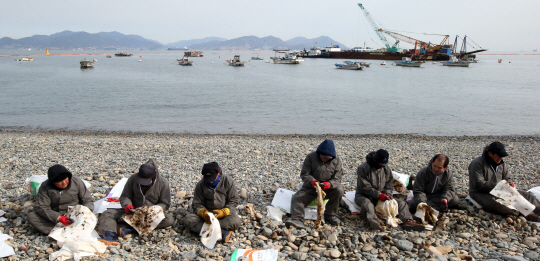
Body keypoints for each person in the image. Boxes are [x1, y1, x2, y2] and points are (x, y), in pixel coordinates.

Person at [98, 159, 174, 245]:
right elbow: (125, 196)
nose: (143, 185)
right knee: (107, 213)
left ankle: (130, 230)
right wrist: (127, 205)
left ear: (154, 177)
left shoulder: (163, 183)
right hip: (133, 212)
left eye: (146, 182)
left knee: (169, 220)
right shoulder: (133, 179)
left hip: (150, 216)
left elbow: (165, 203)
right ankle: (110, 236)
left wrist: (154, 209)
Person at [355, 149, 424, 231]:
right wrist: (379, 195)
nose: (381, 166)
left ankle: (407, 221)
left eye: (383, 164)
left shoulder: (386, 169)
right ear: (374, 160)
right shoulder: (363, 168)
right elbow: (364, 187)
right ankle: (373, 221)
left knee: (401, 203)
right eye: (379, 164)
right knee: (367, 205)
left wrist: (388, 194)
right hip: (364, 195)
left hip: (382, 196)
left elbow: (389, 184)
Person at [469, 141, 540, 220]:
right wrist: (498, 186)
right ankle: (521, 215)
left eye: (502, 156)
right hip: (480, 192)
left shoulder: (502, 164)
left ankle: (538, 210)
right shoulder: (477, 164)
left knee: (527, 196)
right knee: (496, 205)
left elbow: (507, 177)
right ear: (490, 154)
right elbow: (478, 184)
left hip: (500, 190)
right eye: (499, 156)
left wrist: (509, 183)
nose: (501, 158)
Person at [285, 139, 344, 229]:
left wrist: (329, 184)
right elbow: (305, 174)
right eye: (323, 156)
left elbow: (337, 178)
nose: (325, 159)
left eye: (328, 157)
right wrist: (313, 182)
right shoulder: (311, 157)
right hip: (311, 187)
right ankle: (298, 219)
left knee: (339, 190)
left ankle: (330, 214)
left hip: (327, 188)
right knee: (297, 198)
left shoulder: (337, 161)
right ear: (319, 153)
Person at [27, 164, 94, 234]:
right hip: (56, 216)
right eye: (60, 181)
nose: (64, 183)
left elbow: (88, 199)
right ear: (53, 182)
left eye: (65, 179)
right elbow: (41, 206)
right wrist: (58, 217)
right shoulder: (45, 187)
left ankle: (70, 230)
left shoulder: (76, 182)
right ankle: (60, 233)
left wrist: (83, 213)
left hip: (75, 214)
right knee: (32, 217)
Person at [183, 162, 241, 243]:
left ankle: (208, 231)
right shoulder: (201, 185)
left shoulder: (228, 181)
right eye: (208, 179)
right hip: (207, 217)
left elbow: (234, 200)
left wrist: (225, 211)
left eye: (212, 179)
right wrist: (202, 212)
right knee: (188, 219)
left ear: (218, 173)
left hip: (223, 215)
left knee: (235, 221)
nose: (210, 182)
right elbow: (197, 204)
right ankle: (222, 231)